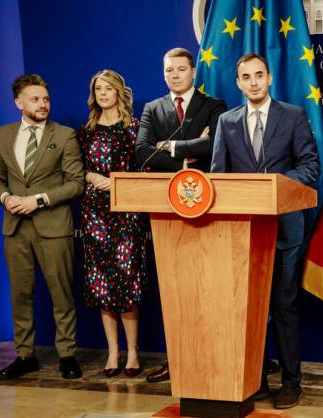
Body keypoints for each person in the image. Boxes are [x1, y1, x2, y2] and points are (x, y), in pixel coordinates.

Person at [211, 53, 319, 409]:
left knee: (284, 304)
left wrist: (275, 186)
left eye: (259, 75)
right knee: (249, 308)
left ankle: (291, 382)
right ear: (238, 83)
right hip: (243, 233)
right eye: (246, 77)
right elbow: (218, 177)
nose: (254, 82)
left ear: (269, 78)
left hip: (286, 229)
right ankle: (253, 380)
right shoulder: (227, 121)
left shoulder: (293, 115)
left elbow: (310, 166)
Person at [135, 47, 226, 383]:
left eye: (181, 69)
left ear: (193, 72)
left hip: (207, 207)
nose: (174, 75)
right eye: (168, 70)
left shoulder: (213, 105)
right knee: (175, 291)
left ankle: (210, 358)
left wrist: (169, 146)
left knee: (207, 289)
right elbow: (142, 152)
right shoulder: (152, 108)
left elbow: (216, 146)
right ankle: (176, 361)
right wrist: (189, 155)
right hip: (166, 211)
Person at [0, 74, 85, 380]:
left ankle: (67, 355)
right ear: (19, 103)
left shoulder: (65, 135)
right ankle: (24, 355)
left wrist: (38, 200)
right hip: (15, 228)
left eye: (45, 99)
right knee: (20, 295)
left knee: (61, 294)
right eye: (35, 99)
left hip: (53, 227)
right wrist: (6, 198)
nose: (43, 104)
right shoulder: (1, 135)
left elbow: (76, 183)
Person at [78, 69, 148, 378]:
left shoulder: (135, 127)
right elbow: (76, 168)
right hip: (94, 213)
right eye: (98, 89)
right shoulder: (87, 130)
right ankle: (112, 351)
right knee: (102, 284)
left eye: (108, 88)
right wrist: (91, 176)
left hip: (127, 211)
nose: (103, 94)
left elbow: (145, 168)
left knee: (126, 282)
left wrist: (117, 180)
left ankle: (132, 352)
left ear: (119, 91)